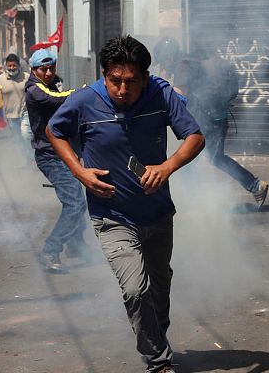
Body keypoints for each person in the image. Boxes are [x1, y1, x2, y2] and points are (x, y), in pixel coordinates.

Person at [46, 36, 205, 373]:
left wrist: (166, 167)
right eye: (115, 80)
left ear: (144, 78)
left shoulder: (160, 94)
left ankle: (156, 337)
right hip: (112, 215)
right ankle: (159, 362)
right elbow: (54, 131)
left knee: (159, 286)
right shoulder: (84, 101)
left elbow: (195, 137)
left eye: (131, 82)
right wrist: (80, 172)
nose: (122, 89)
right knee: (136, 288)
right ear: (104, 75)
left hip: (159, 213)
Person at [153, 37, 269, 207]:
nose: (162, 66)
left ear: (169, 57)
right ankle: (255, 186)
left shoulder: (183, 66)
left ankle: (193, 205)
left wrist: (161, 86)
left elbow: (178, 97)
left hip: (206, 121)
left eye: (162, 62)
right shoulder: (192, 61)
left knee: (187, 164)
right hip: (215, 118)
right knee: (215, 159)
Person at [25, 49, 92, 272]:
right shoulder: (36, 90)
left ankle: (76, 245)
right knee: (75, 204)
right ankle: (50, 250)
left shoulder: (52, 84)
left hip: (63, 153)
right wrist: (83, 92)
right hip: (50, 156)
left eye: (51, 68)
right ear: (34, 70)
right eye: (43, 69)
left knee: (76, 199)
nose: (48, 72)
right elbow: (56, 99)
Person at [0, 53, 31, 162]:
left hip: (26, 114)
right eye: (9, 66)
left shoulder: (27, 77)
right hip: (10, 115)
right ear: (6, 66)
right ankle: (26, 157)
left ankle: (32, 158)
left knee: (26, 135)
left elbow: (34, 91)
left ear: (18, 65)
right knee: (18, 139)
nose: (12, 68)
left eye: (14, 65)